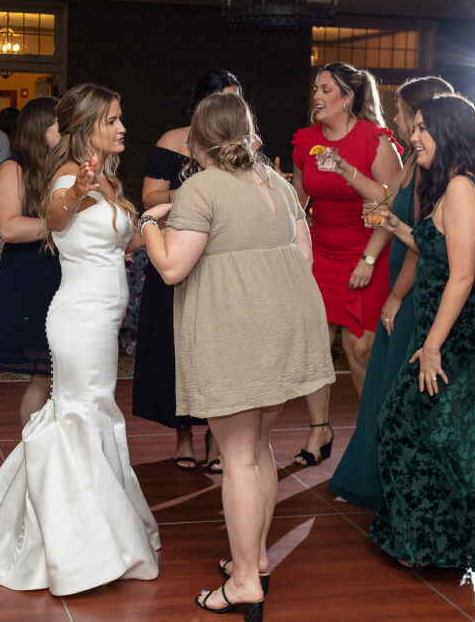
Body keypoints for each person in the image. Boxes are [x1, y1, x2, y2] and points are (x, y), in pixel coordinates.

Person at [140, 92, 334, 619]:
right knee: (260, 447)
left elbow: (173, 268)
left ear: (197, 140)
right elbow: (304, 254)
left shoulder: (199, 188)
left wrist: (149, 225)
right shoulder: (275, 181)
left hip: (237, 331)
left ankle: (246, 580)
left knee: (239, 458)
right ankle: (257, 559)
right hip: (285, 326)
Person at [0, 83, 160, 595]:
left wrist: (165, 216)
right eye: (113, 120)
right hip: (79, 318)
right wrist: (75, 195)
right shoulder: (70, 175)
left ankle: (84, 521)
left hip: (104, 317)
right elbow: (55, 219)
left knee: (88, 413)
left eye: (121, 119)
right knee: (79, 414)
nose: (123, 128)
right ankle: (74, 542)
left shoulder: (112, 180)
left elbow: (129, 240)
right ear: (89, 126)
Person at [371, 93, 475, 573]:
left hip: (458, 335)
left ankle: (433, 543)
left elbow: (464, 275)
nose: (414, 136)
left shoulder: (463, 189)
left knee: (423, 429)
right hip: (445, 329)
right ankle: (428, 541)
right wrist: (394, 224)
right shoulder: (454, 186)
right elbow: (436, 247)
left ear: (448, 133)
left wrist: (432, 346)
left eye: (423, 128)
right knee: (433, 432)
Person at [328, 75, 454, 510]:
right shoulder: (409, 161)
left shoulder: (432, 170)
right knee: (382, 382)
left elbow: (423, 243)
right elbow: (387, 201)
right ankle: (378, 477)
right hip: (397, 270)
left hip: (412, 283)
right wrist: (351, 178)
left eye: (402, 111)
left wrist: (397, 297)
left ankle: (397, 486)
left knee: (398, 387)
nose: (397, 119)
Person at [289, 62, 402, 467]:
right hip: (320, 253)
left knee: (361, 347)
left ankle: (375, 434)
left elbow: (391, 204)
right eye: (315, 89)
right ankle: (319, 429)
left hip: (369, 249)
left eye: (325, 90)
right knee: (317, 348)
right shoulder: (305, 141)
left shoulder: (376, 141)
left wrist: (369, 258)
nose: (316, 96)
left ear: (348, 97)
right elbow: (298, 207)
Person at [132, 67, 242, 472]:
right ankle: (183, 435)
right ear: (202, 104)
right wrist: (201, 184)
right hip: (177, 251)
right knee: (178, 347)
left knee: (217, 351)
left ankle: (217, 435)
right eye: (225, 99)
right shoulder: (172, 141)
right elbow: (150, 198)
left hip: (221, 257)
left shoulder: (245, 147)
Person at [0, 96, 62, 424]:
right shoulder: (13, 169)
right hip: (32, 277)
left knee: (69, 378)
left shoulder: (68, 168)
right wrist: (61, 225)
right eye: (61, 123)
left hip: (69, 276)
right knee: (42, 376)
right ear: (41, 128)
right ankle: (35, 453)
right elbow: (9, 228)